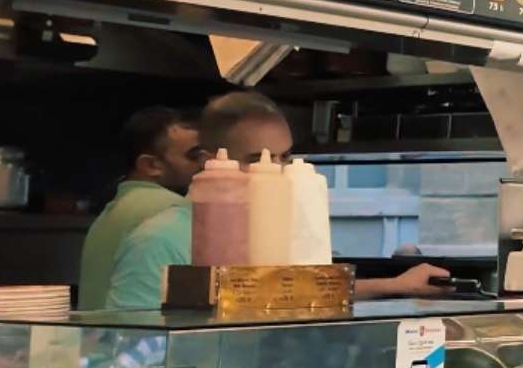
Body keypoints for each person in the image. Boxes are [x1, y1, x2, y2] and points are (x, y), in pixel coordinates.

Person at [105, 92, 449, 310]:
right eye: (258, 159)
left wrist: (397, 286)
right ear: (214, 161)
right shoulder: (159, 242)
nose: (279, 172)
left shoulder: (276, 232)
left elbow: (296, 292)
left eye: (285, 157)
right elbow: (130, 351)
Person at [77, 106, 204, 308]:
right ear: (150, 166)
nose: (206, 164)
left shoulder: (116, 209)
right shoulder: (170, 209)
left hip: (97, 338)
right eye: (194, 156)